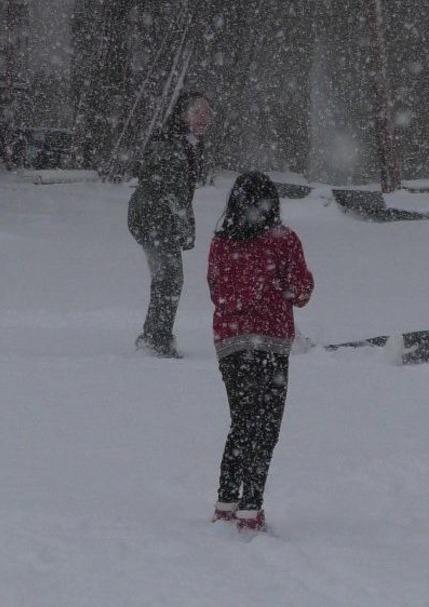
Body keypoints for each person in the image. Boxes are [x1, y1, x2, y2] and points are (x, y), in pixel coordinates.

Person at [207, 172, 314, 532]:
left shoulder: (220, 243)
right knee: (265, 427)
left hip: (230, 344)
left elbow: (215, 289)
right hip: (270, 343)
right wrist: (278, 290)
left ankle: (226, 501)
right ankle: (251, 507)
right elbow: (302, 291)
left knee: (241, 422)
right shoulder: (284, 241)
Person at [128, 91, 214, 357]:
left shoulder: (185, 143)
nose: (204, 116)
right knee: (169, 278)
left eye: (207, 111)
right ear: (182, 114)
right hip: (152, 219)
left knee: (166, 278)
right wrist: (185, 228)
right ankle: (156, 339)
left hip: (155, 219)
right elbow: (172, 194)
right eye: (196, 110)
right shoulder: (171, 146)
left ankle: (155, 336)